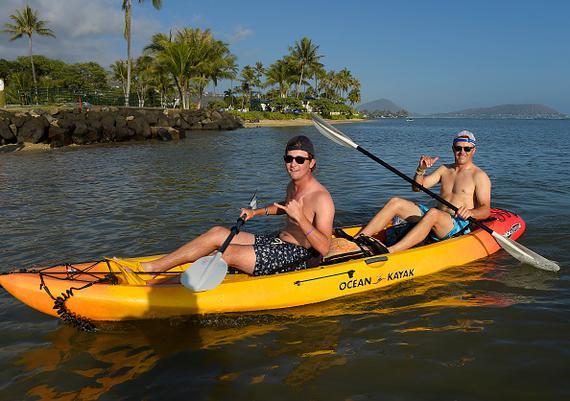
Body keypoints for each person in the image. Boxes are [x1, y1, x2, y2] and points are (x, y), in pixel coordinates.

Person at [134, 135, 335, 276]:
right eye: (289, 158)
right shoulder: (292, 185)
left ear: (312, 163)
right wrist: (255, 212)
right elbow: (285, 206)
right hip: (277, 242)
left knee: (224, 253)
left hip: (298, 256)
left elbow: (324, 248)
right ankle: (153, 268)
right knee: (217, 233)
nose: (293, 164)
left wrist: (300, 218)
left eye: (300, 159)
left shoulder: (322, 198)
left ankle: (178, 287)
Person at [356, 130, 491, 254]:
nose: (462, 152)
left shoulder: (479, 176)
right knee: (395, 202)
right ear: (453, 148)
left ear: (473, 150)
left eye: (467, 149)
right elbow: (417, 188)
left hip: (457, 225)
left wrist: (471, 212)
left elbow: (486, 210)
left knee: (433, 213)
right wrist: (421, 170)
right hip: (436, 217)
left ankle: (390, 251)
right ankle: (357, 241)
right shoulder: (444, 169)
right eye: (458, 148)